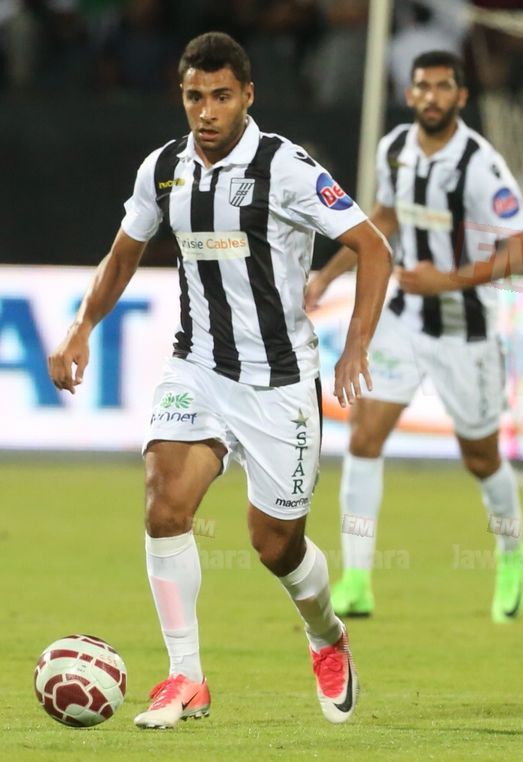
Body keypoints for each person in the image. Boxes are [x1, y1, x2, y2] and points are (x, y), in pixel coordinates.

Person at [47, 32, 392, 728]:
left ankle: (325, 634)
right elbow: (123, 254)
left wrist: (356, 345)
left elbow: (372, 247)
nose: (206, 111)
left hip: (279, 382)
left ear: (248, 96)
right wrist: (82, 326)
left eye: (221, 96)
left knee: (275, 545)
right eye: (194, 97)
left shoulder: (286, 167)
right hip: (197, 366)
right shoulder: (163, 169)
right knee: (164, 504)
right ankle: (186, 677)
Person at [305, 50, 523, 623]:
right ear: (409, 94)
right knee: (364, 438)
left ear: (461, 96)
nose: (431, 96)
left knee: (480, 457)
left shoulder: (480, 165)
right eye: (422, 87)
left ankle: (512, 551)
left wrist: (448, 280)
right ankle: (357, 578)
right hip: (404, 318)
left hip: (465, 327)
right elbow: (385, 218)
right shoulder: (394, 149)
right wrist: (329, 275)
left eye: (442, 86)